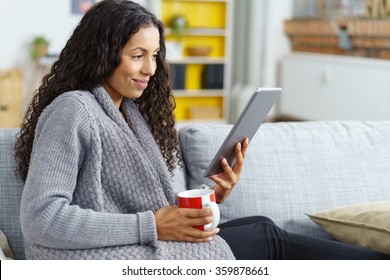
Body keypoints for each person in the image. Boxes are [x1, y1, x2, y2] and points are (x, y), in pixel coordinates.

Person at [14, 0, 389, 260]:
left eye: (155, 55)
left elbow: (154, 214)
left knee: (260, 224)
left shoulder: (127, 111)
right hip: (96, 259)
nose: (149, 69)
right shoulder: (72, 110)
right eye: (137, 55)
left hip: (137, 244)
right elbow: (42, 218)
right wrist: (153, 225)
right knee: (267, 237)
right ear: (102, 53)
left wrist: (212, 196)